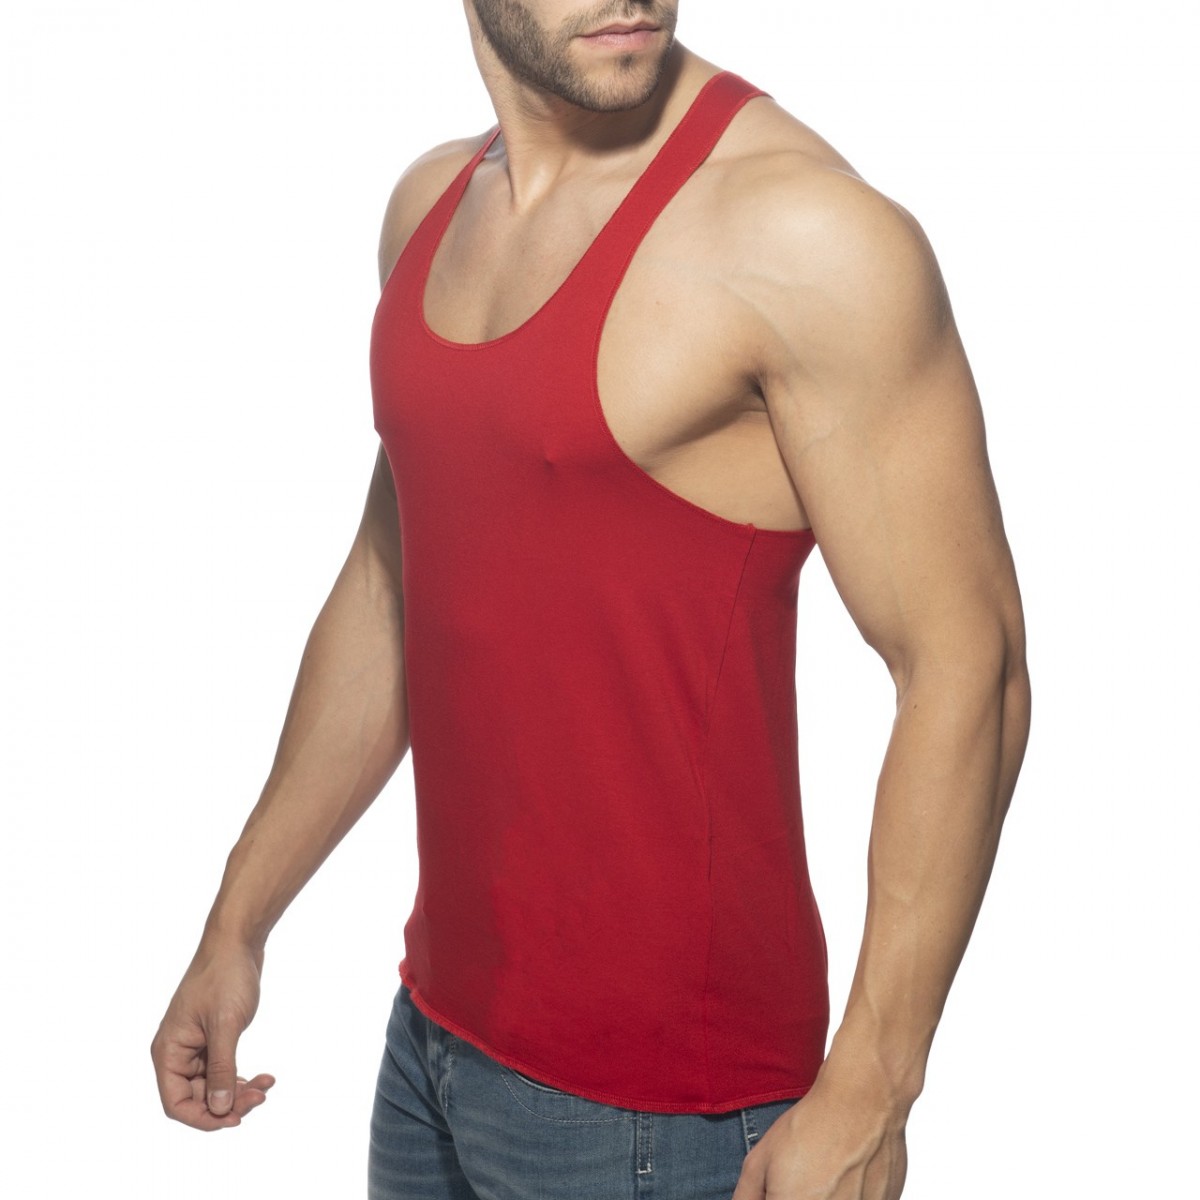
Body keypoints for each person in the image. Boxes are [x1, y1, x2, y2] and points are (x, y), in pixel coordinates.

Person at [151, 3, 1031, 1198]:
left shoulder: (802, 235)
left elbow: (969, 662)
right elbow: (393, 582)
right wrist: (239, 920)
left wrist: (873, 1091)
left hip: (667, 1117)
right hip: (431, 1042)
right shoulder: (429, 209)